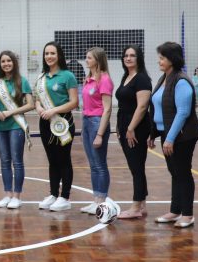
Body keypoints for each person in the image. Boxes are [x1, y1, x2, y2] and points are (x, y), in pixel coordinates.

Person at [149, 42, 198, 228]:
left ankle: (187, 214)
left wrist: (170, 138)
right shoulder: (164, 78)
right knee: (175, 172)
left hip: (182, 137)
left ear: (172, 59)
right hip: (167, 133)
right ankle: (175, 210)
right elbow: (159, 108)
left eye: (162, 58)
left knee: (183, 173)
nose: (159, 61)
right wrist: (153, 134)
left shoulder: (181, 81)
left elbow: (182, 112)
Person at [34, 42, 79, 211]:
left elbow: (74, 102)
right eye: (46, 53)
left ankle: (65, 197)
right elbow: (37, 99)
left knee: (64, 160)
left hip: (63, 123)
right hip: (45, 123)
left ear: (59, 55)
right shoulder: (41, 77)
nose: (49, 56)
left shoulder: (68, 76)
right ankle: (53, 194)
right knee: (52, 160)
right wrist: (39, 108)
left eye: (52, 53)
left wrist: (53, 110)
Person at [0, 50, 33, 210]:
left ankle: (17, 196)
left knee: (17, 161)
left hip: (16, 125)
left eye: (9, 61)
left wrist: (10, 112)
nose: (6, 64)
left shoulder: (22, 81)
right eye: (3, 61)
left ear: (14, 62)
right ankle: (7, 194)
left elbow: (30, 104)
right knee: (4, 161)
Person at [115, 45, 152, 219]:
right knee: (135, 166)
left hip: (137, 127)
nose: (128, 58)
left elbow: (142, 106)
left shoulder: (142, 79)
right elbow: (123, 105)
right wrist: (120, 127)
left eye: (132, 55)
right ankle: (142, 203)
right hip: (124, 124)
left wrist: (131, 128)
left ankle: (136, 206)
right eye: (126, 55)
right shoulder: (126, 76)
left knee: (136, 166)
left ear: (139, 58)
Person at [79, 47, 114, 214]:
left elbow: (107, 109)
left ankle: (102, 200)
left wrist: (100, 134)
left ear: (98, 60)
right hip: (86, 121)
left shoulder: (104, 80)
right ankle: (96, 200)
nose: (86, 60)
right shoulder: (88, 79)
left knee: (100, 164)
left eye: (89, 58)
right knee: (93, 164)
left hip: (97, 122)